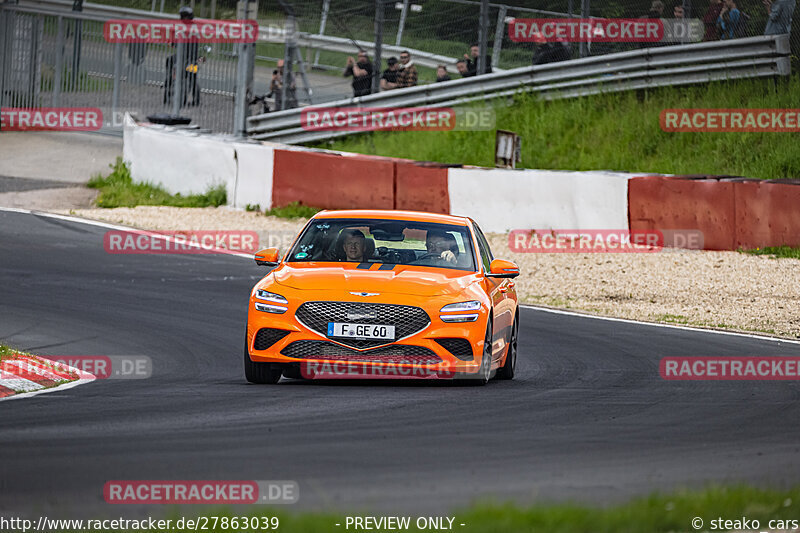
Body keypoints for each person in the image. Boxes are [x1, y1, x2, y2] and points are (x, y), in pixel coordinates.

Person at [164, 6, 203, 106]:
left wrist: (173, 43)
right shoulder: (182, 28)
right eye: (183, 17)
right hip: (183, 57)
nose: (184, 19)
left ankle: (196, 99)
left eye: (186, 17)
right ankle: (169, 81)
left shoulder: (191, 29)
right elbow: (175, 41)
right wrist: (172, 43)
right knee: (169, 60)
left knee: (193, 78)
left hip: (191, 58)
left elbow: (179, 42)